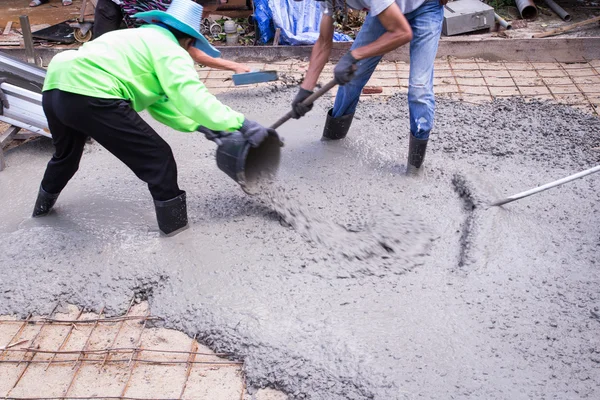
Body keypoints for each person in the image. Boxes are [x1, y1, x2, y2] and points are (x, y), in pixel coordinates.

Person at [32, 0, 277, 236]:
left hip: (56, 85)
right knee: (159, 159)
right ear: (188, 39)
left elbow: (163, 105)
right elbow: (192, 97)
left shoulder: (135, 37)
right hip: (93, 92)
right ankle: (176, 232)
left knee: (65, 157)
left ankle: (40, 213)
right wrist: (242, 124)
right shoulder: (170, 49)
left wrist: (207, 128)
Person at [291, 0, 446, 174]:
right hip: (387, 10)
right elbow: (324, 42)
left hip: (426, 7)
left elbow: (402, 33)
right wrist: (306, 89)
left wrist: (355, 55)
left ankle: (414, 171)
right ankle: (331, 144)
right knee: (351, 79)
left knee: (419, 90)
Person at [93, 0, 250, 73]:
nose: (206, 16)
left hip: (139, 8)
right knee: (100, 55)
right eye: (206, 12)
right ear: (193, 4)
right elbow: (192, 51)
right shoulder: (172, 11)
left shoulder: (178, 9)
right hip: (113, 3)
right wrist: (234, 66)